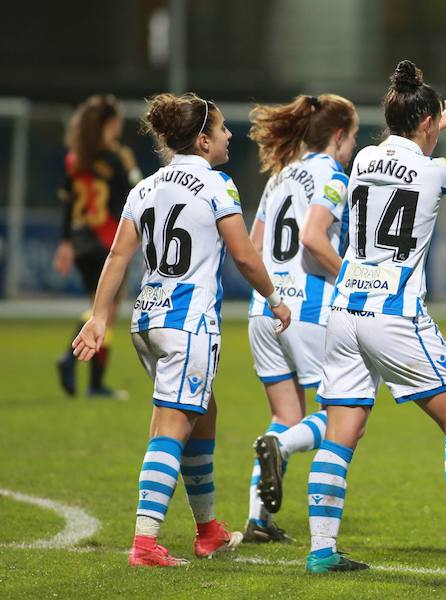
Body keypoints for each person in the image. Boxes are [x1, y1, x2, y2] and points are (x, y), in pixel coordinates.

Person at [304, 60, 446, 573]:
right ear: (426, 123)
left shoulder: (362, 159)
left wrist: (438, 120)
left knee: (341, 430)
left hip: (343, 311)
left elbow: (406, 146)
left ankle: (321, 550)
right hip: (395, 312)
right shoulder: (434, 171)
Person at [71, 93, 291, 567]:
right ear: (203, 139)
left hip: (147, 322)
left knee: (203, 413)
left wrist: (98, 316)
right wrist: (274, 298)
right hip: (187, 325)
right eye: (224, 129)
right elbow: (245, 255)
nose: (231, 136)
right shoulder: (217, 185)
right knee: (170, 428)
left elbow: (118, 257)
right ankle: (145, 543)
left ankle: (208, 530)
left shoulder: (145, 188)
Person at [242, 93, 358, 542]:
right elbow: (312, 238)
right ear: (338, 136)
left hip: (265, 308)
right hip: (308, 310)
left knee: (286, 414)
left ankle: (258, 520)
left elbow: (253, 247)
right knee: (342, 412)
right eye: (350, 138)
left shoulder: (280, 177)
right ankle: (281, 447)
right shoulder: (331, 174)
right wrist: (351, 279)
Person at [53, 95, 142, 399]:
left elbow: (68, 204)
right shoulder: (118, 159)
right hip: (107, 241)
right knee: (106, 310)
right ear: (108, 123)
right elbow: (135, 195)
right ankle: (84, 371)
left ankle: (86, 375)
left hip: (80, 241)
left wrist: (65, 242)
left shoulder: (76, 158)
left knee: (99, 307)